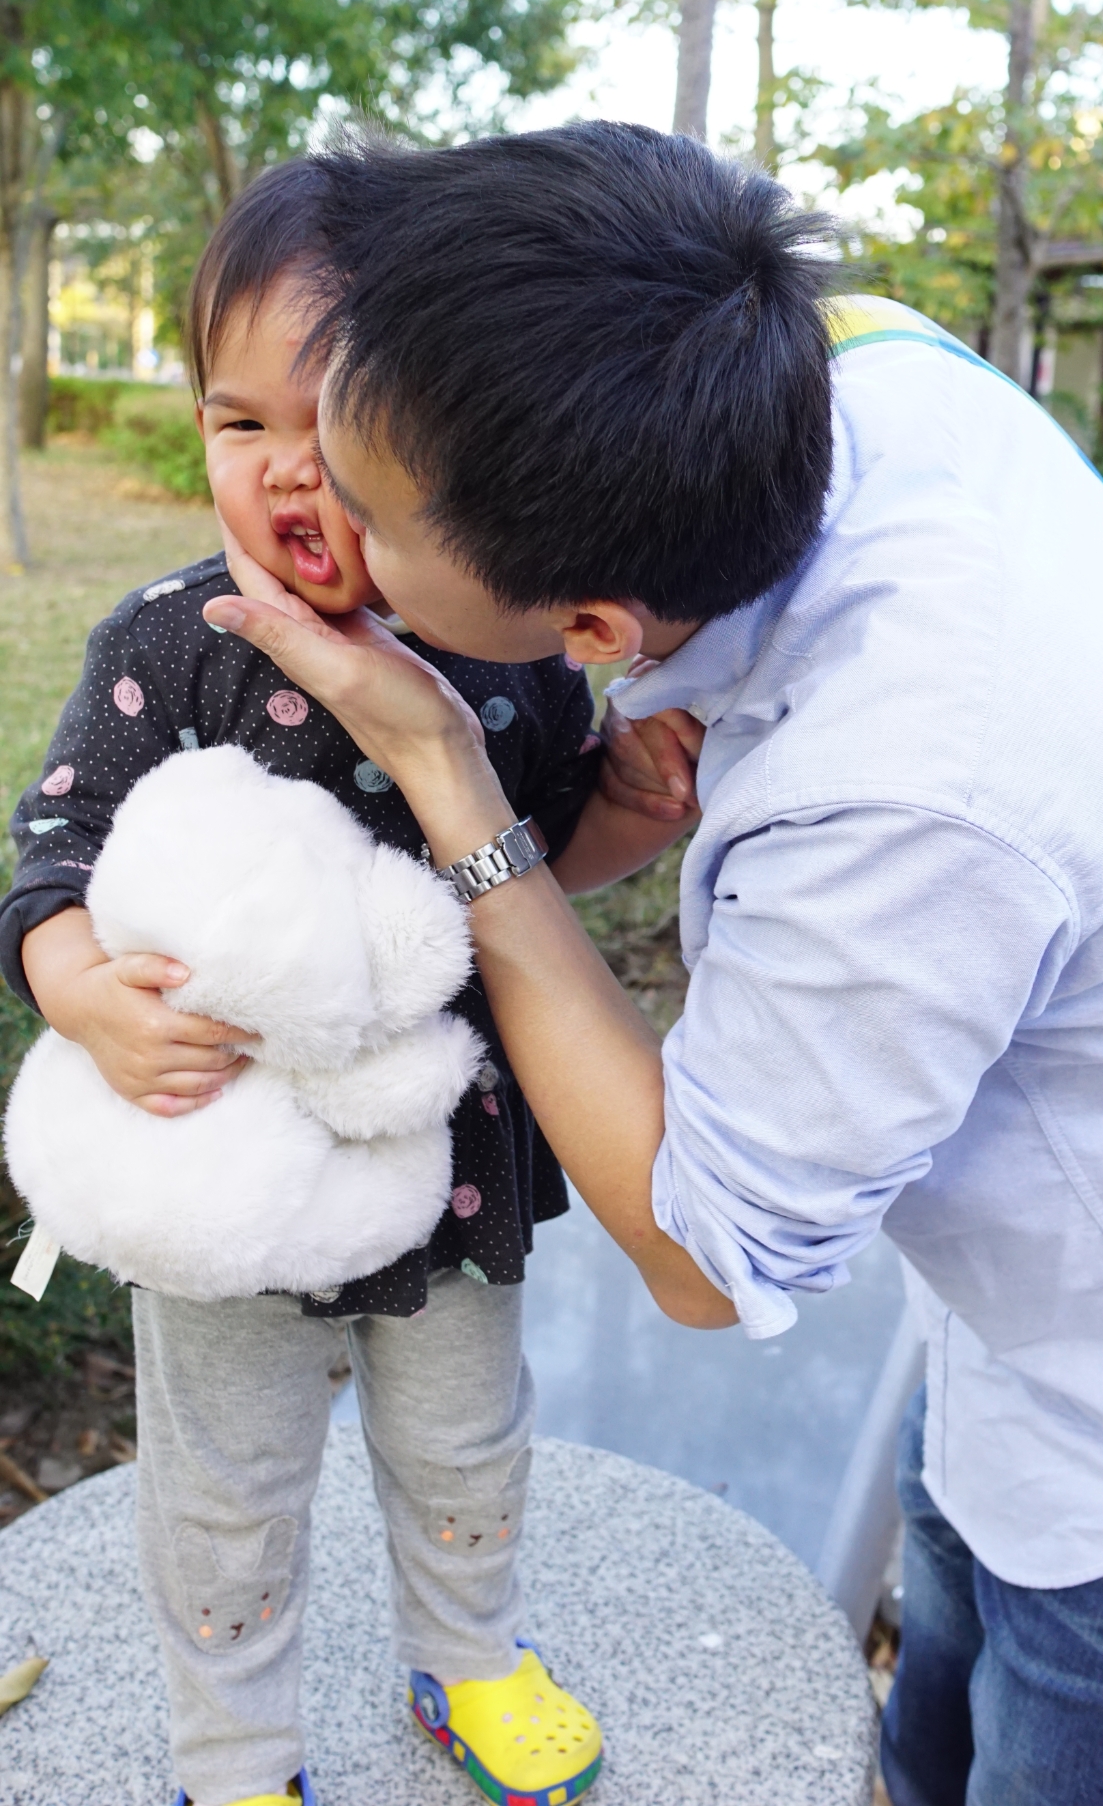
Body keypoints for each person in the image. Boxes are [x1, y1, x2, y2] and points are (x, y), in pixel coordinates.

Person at [193, 123, 1103, 1806]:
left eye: (369, 507)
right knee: (926, 1748)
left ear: (590, 631)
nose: (321, 505)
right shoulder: (839, 365)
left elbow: (704, 1248)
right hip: (1029, 1336)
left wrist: (453, 778)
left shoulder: (905, 792)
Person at [0, 159, 699, 1806]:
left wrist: (628, 812)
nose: (283, 468)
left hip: (448, 1157)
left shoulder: (499, 643)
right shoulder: (166, 643)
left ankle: (470, 1662)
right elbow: (52, 856)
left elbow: (524, 878)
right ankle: (235, 1750)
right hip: (226, 1167)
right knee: (226, 1482)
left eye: (332, 422)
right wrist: (82, 992)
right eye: (237, 421)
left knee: (465, 1440)